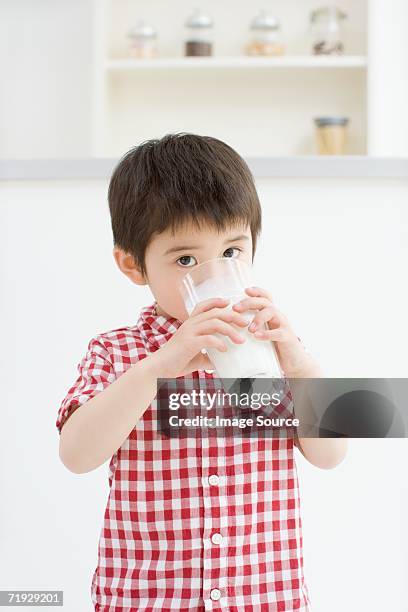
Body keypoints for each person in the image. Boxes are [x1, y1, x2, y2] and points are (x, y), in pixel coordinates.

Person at [56, 133, 348, 611]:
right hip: (148, 599)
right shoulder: (117, 352)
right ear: (133, 265)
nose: (215, 274)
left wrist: (295, 358)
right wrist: (164, 364)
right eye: (187, 260)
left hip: (262, 596)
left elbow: (331, 453)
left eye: (232, 252)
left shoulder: (274, 351)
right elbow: (76, 454)